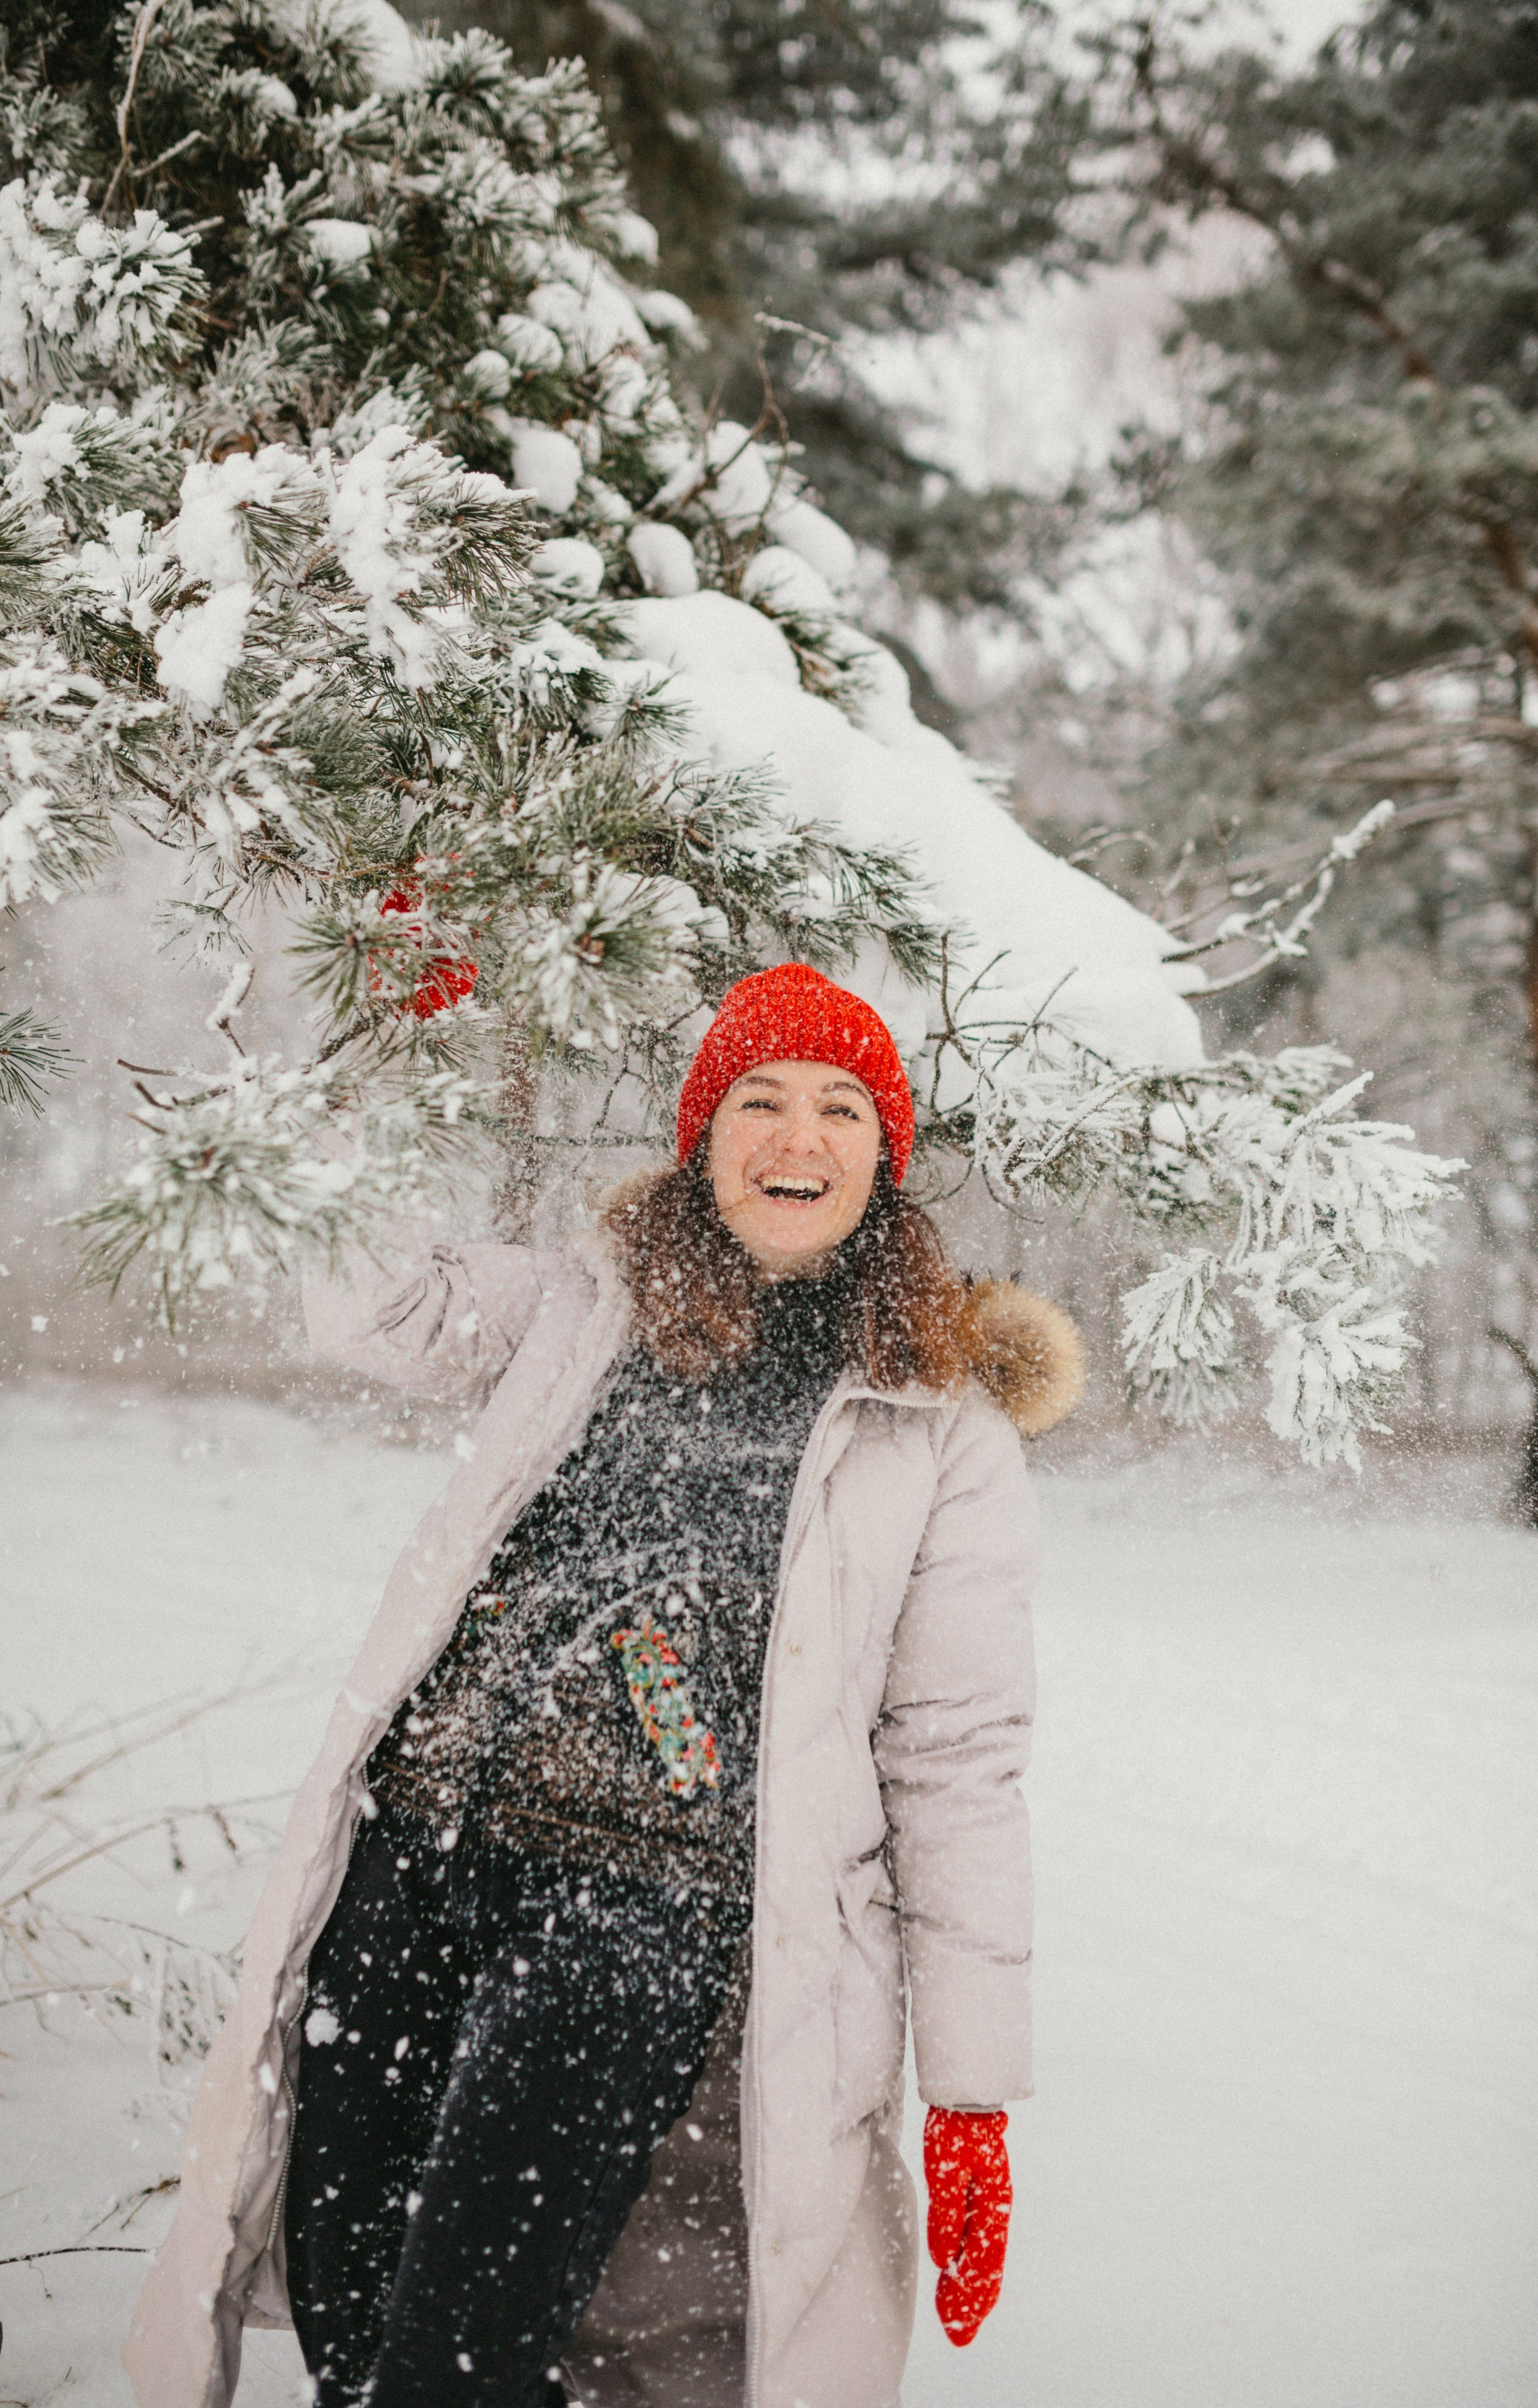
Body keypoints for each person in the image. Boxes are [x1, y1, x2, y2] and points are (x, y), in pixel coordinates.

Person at [124, 963, 1083, 2408]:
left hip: (638, 1909)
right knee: (344, 2288)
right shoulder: (584, 1305)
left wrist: (967, 2089)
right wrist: (397, 1036)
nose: (795, 1138)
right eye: (757, 1100)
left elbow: (955, 1760)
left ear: (882, 1155)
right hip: (414, 1855)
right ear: (703, 1136)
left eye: (837, 1109)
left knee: (457, 2346)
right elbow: (371, 1298)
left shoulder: (933, 1421)